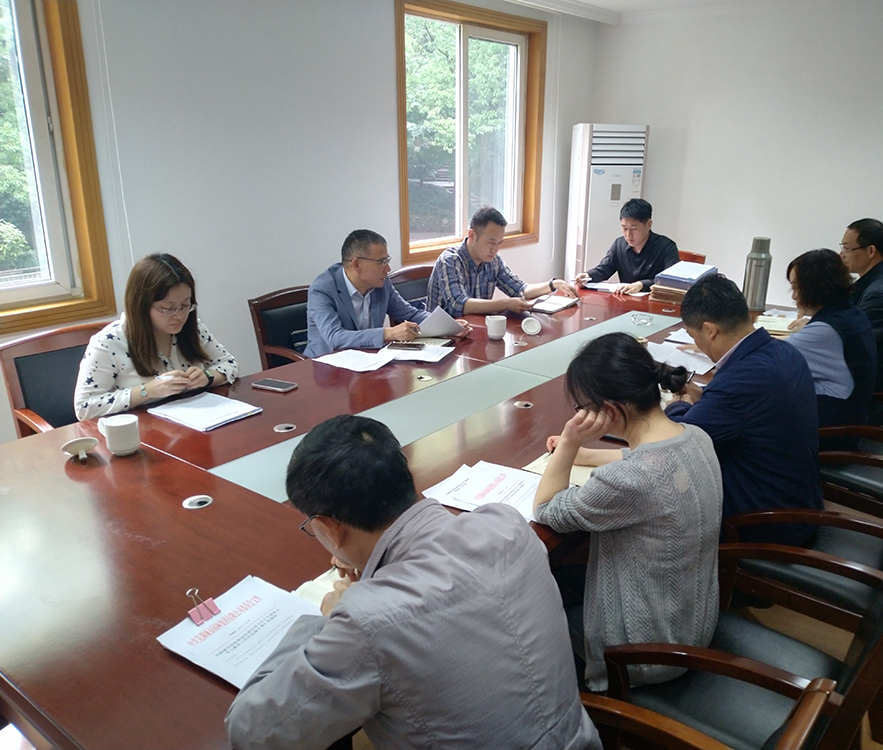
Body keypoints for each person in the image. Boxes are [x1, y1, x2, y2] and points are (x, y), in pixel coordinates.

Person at [225, 415, 600, 750]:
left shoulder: (365, 621)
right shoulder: (506, 524)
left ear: (328, 527)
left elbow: (251, 734)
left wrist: (325, 621)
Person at [533, 333, 723, 693]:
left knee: (531, 598)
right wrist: (588, 455)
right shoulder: (696, 436)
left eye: (581, 407)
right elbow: (650, 460)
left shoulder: (627, 480)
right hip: (693, 620)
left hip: (644, 652)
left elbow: (545, 508)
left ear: (609, 409)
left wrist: (570, 443)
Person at [665, 273, 822, 545]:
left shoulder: (741, 381)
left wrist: (677, 405)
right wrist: (706, 399)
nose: (697, 343)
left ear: (710, 330)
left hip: (766, 524)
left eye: (694, 335)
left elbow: (677, 443)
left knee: (659, 497)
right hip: (798, 500)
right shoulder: (784, 352)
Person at [74, 254, 237, 421]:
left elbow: (229, 364)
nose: (179, 316)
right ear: (141, 305)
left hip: (196, 422)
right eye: (167, 308)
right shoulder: (108, 343)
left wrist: (207, 377)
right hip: (142, 429)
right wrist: (147, 391)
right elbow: (84, 407)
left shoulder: (193, 328)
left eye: (185, 305)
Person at [304, 229, 470, 356]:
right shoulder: (322, 289)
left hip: (368, 361)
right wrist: (388, 333)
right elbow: (335, 338)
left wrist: (448, 325)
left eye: (387, 261)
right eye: (381, 262)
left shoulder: (381, 284)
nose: (388, 269)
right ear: (356, 264)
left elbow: (410, 314)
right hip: (324, 368)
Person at [787, 249, 877, 434]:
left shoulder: (825, 330)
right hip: (852, 417)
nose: (794, 296)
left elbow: (770, 357)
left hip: (833, 430)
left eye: (796, 288)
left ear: (814, 287)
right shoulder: (851, 313)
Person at [426, 207, 577, 316]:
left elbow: (520, 289)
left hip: (474, 329)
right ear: (472, 235)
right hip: (442, 337)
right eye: (491, 242)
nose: (495, 249)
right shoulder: (451, 260)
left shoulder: (493, 261)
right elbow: (459, 304)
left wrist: (553, 284)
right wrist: (505, 304)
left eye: (499, 243)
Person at [839, 218, 883, 424]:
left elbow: (855, 344)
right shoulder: (880, 280)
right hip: (875, 384)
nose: (841, 254)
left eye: (847, 248)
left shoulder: (881, 293)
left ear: (870, 251)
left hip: (876, 400)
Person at [573, 198, 680, 296]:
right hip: (625, 300)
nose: (628, 234)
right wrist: (588, 276)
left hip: (654, 302)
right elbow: (604, 269)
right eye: (624, 228)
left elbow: (671, 281)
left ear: (649, 224)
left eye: (634, 229)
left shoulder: (666, 247)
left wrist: (642, 285)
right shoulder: (619, 244)